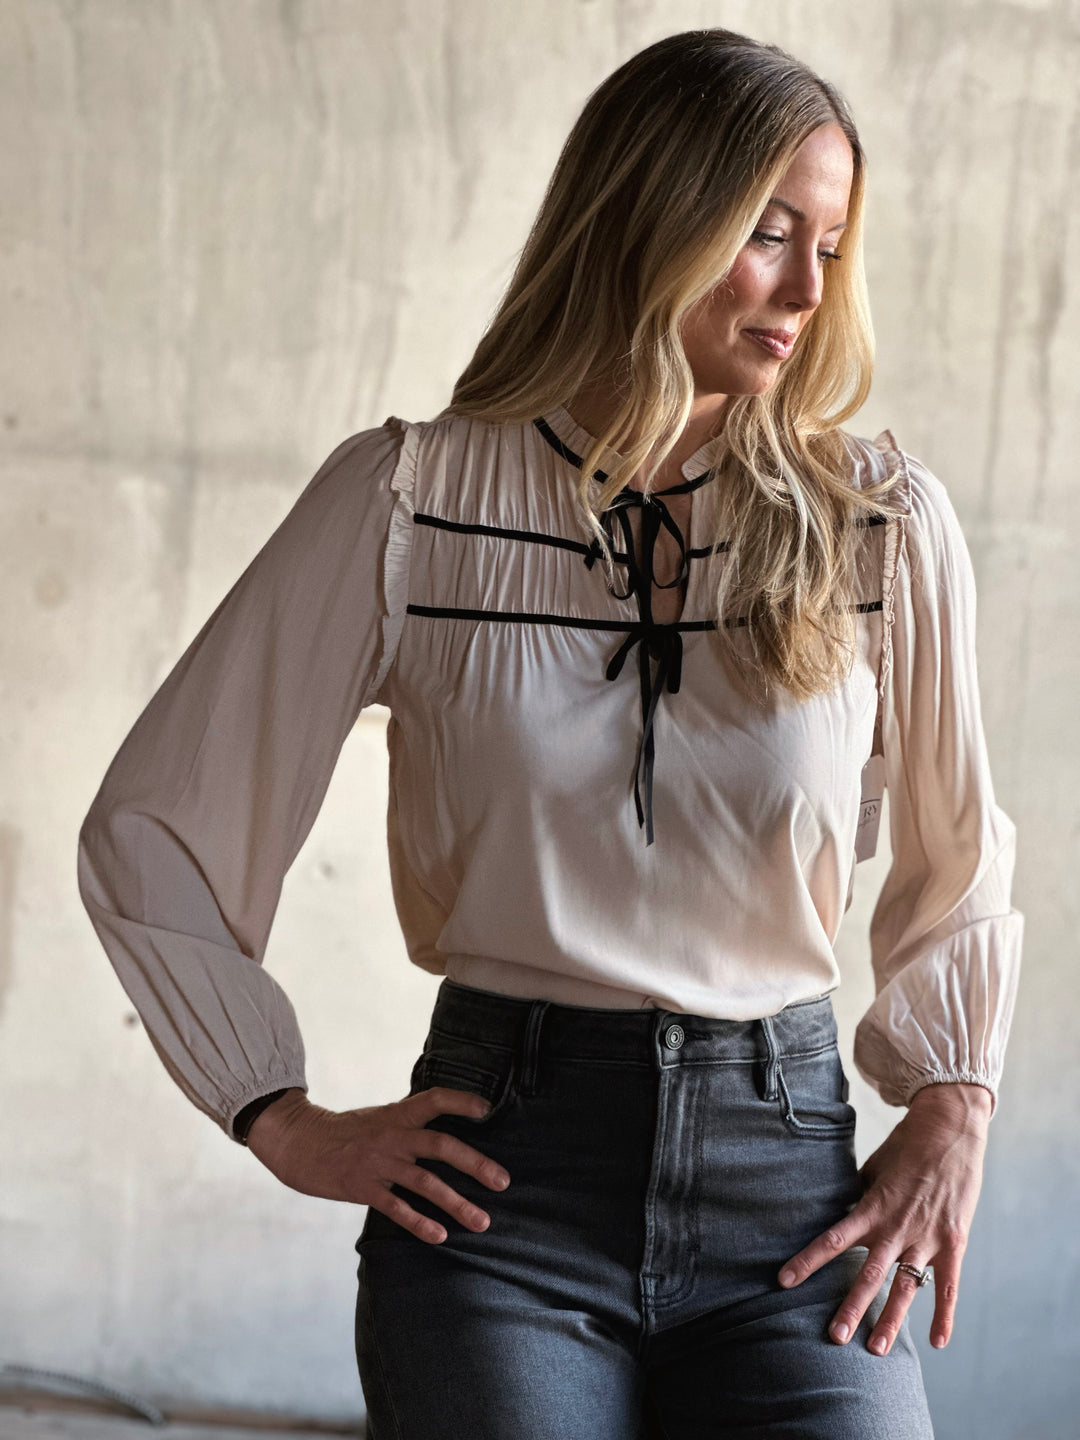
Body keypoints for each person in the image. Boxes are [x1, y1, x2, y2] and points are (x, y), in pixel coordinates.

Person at [77, 27, 1023, 1440]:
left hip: (790, 1193)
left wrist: (954, 1107)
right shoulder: (409, 501)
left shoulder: (879, 526)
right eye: (770, 233)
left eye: (831, 245)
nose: (807, 290)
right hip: (504, 1184)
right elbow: (156, 822)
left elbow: (960, 859)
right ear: (652, 211)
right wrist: (276, 1114)